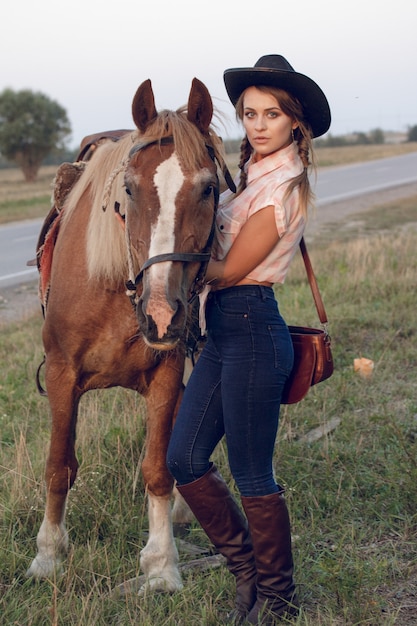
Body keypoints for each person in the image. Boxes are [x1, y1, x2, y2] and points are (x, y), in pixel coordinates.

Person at [167, 54, 331, 624]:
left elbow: (231, 268)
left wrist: (165, 272)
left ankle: (278, 595)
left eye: (272, 114)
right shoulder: (252, 174)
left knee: (252, 471)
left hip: (255, 332)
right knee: (183, 457)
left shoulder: (284, 184)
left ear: (295, 123)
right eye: (250, 114)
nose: (258, 125)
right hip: (224, 334)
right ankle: (246, 573)